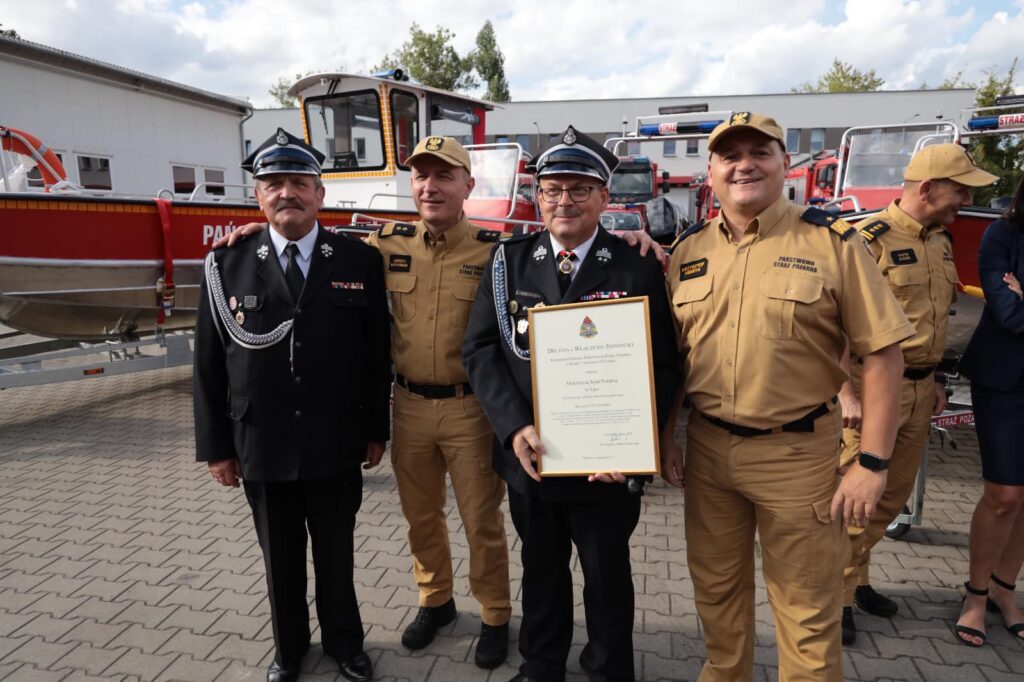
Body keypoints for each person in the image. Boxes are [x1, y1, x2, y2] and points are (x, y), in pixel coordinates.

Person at [660, 112, 914, 681]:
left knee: (806, 610)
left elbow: (882, 354)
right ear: (711, 171)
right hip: (708, 451)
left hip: (797, 456)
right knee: (716, 592)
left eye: (760, 152)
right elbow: (679, 357)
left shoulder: (832, 242)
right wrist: (667, 435)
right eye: (730, 156)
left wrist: (872, 463)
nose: (744, 165)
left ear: (783, 163)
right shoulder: (688, 250)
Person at [462, 125, 681, 682]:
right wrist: (513, 427)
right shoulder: (508, 261)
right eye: (553, 189)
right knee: (540, 570)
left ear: (604, 197)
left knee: (607, 575)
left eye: (580, 189)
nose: (565, 200)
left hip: (606, 464)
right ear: (537, 197)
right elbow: (480, 350)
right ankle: (541, 665)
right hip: (532, 455)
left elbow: (665, 363)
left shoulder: (635, 264)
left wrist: (633, 445)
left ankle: (608, 669)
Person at [193, 128, 391, 682]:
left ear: (320, 194)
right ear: (258, 197)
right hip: (261, 442)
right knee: (279, 559)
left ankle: (345, 644)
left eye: (300, 183)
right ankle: (289, 651)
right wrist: (216, 449)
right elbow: (207, 365)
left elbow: (376, 354)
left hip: (335, 439)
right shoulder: (225, 264)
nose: (287, 193)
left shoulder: (358, 260)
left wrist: (377, 430)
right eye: (274, 184)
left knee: (336, 555)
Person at [836, 143, 998, 645]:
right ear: (927, 188)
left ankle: (856, 580)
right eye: (960, 190)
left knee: (891, 498)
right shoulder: (867, 241)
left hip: (921, 387)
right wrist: (845, 393)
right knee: (856, 501)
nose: (966, 200)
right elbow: (834, 327)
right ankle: (834, 596)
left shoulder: (941, 241)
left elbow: (937, 320)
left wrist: (938, 381)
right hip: (871, 391)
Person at [363, 136, 513, 668]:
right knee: (420, 516)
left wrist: (638, 241)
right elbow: (320, 254)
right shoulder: (386, 245)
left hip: (470, 409)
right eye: (421, 175)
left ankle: (495, 613)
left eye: (444, 175)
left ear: (468, 185)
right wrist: (253, 233)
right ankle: (436, 600)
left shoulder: (497, 252)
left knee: (481, 520)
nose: (430, 186)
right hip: (408, 406)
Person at [954, 173, 1024, 647]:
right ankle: (975, 595)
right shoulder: (1002, 234)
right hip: (1005, 381)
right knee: (1005, 494)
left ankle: (1004, 589)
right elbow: (1010, 315)